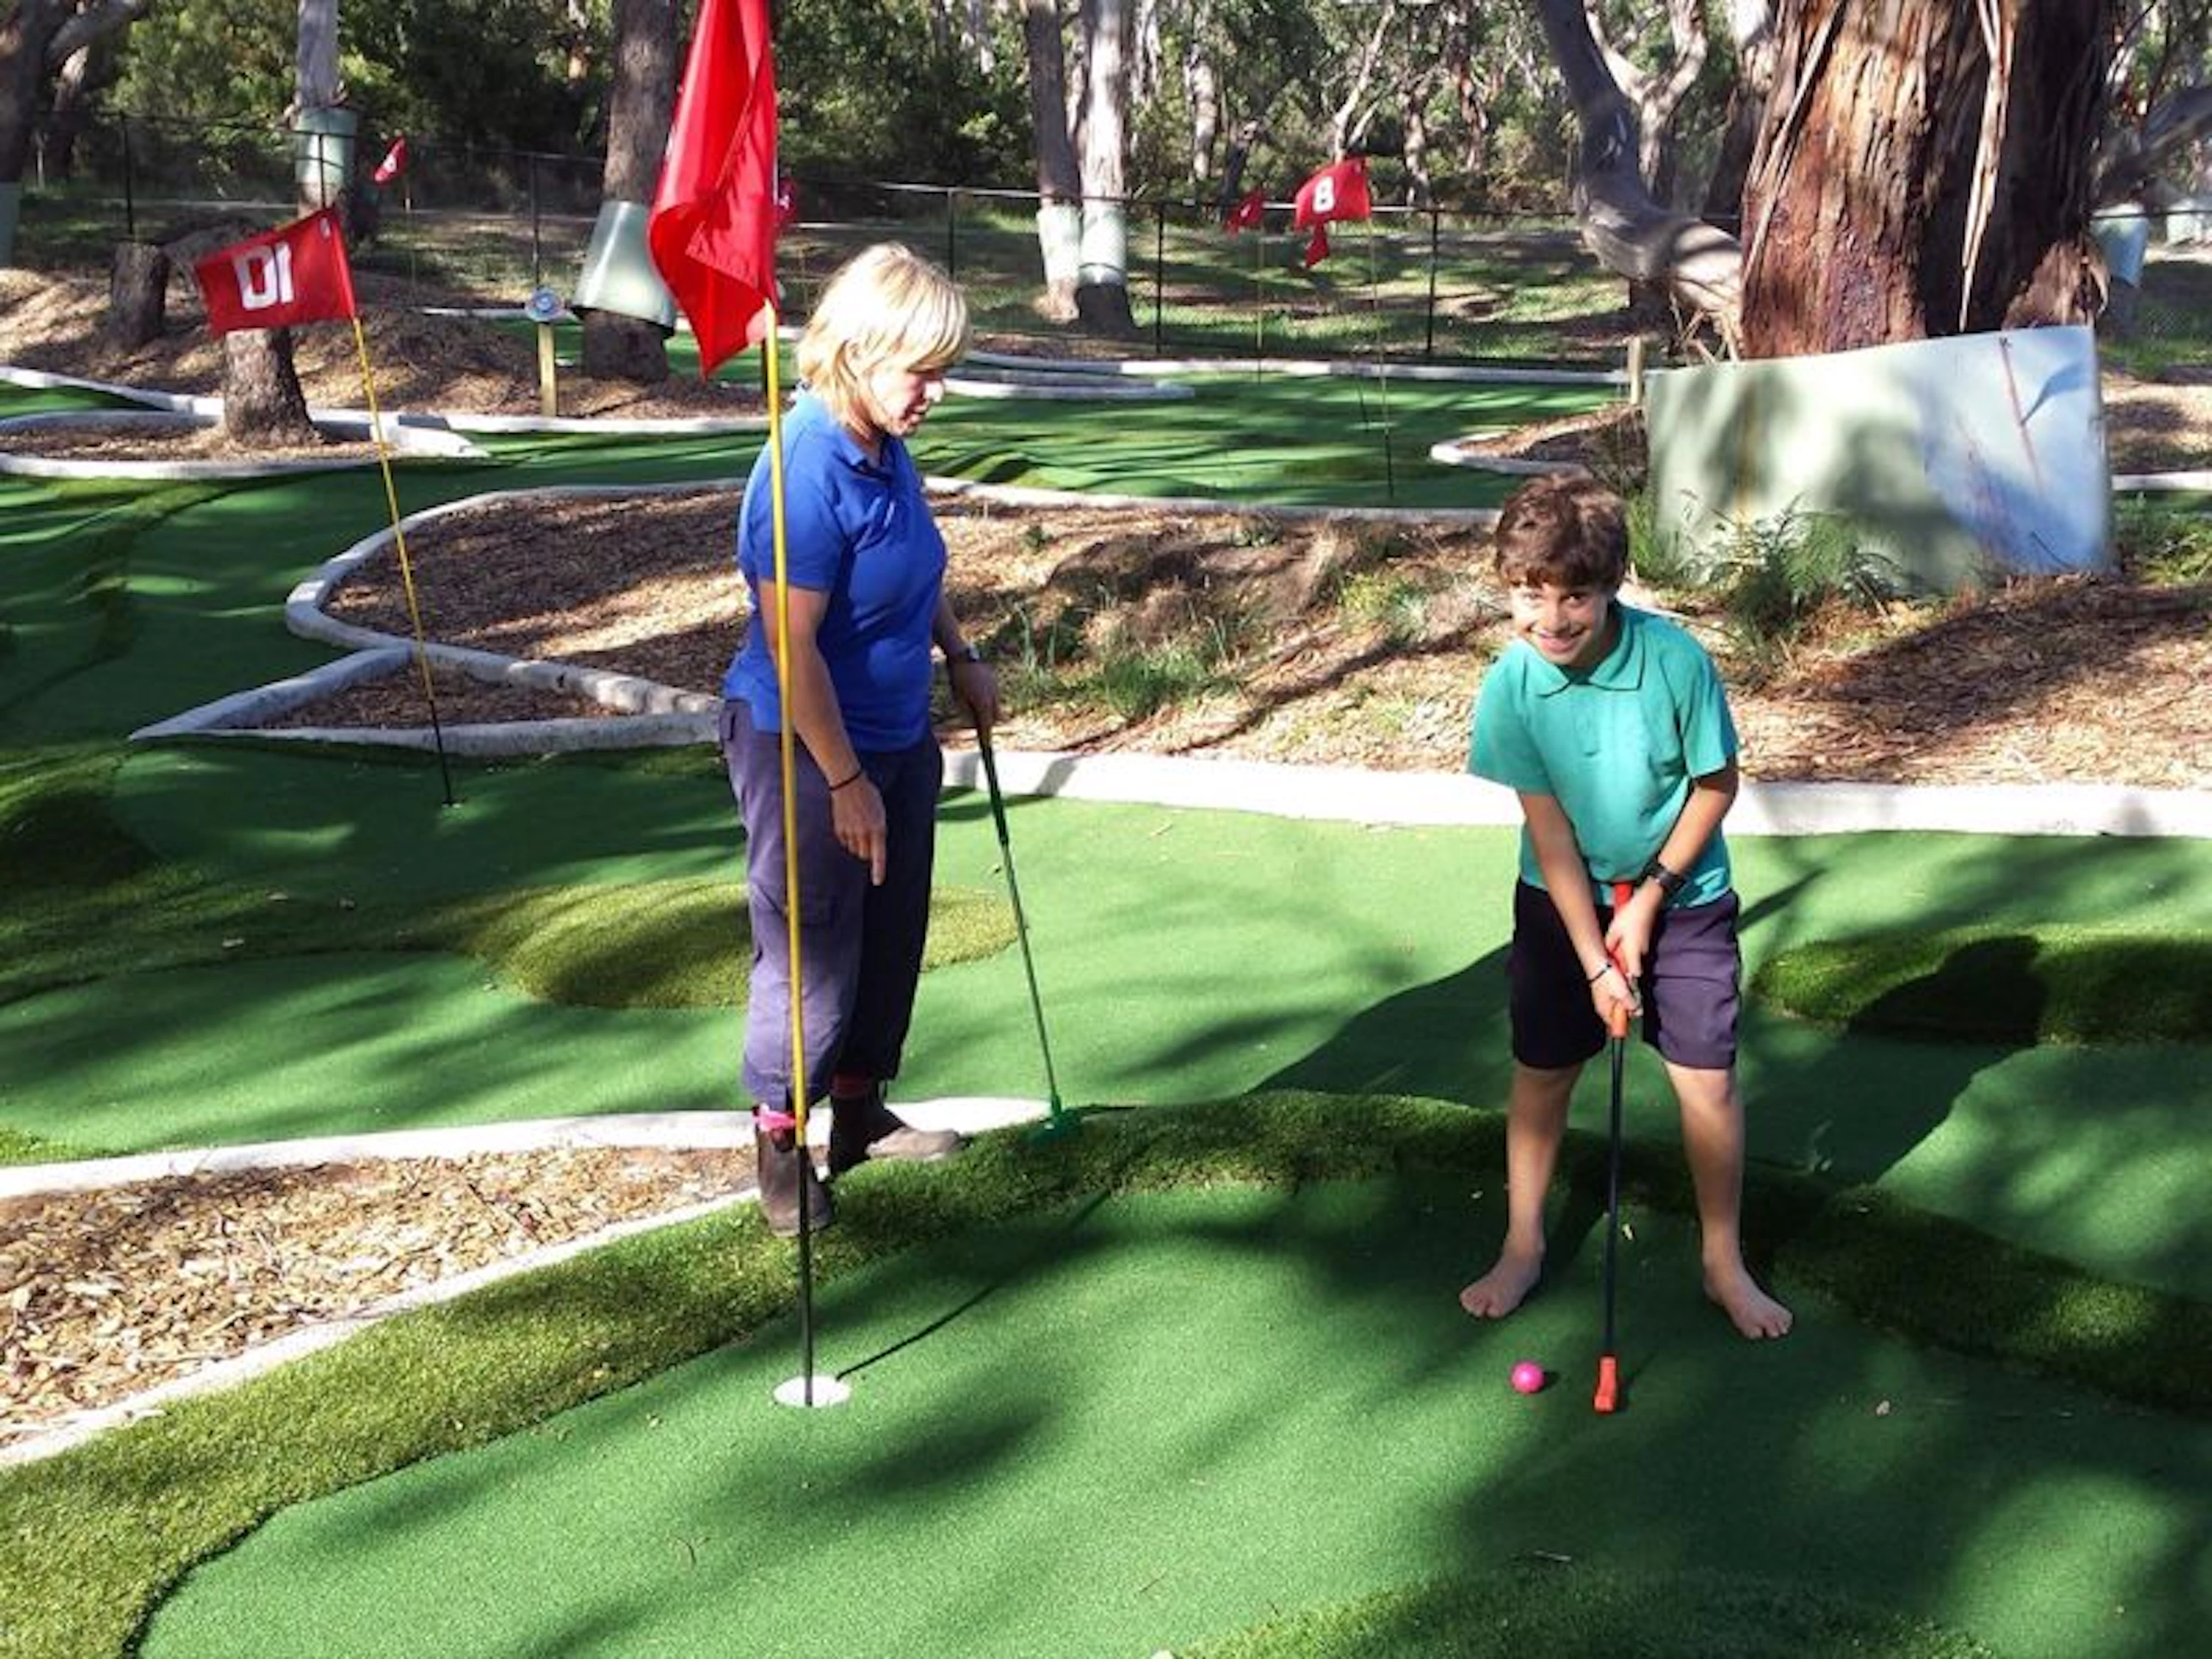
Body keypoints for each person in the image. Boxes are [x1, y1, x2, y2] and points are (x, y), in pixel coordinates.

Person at [1457, 473, 1791, 1340]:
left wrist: (1649, 901)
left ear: (1614, 588)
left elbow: (1717, 783)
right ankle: (1523, 1244)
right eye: (1531, 597)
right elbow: (1552, 834)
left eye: (1577, 597)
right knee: (1544, 1070)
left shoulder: (1674, 661)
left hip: (1685, 898)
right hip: (1559, 900)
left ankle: (1723, 1263)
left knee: (1706, 1082)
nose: (1553, 619)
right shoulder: (1512, 685)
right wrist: (1599, 960)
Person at [718, 243, 1001, 1237]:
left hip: (894, 733)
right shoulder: (803, 468)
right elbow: (792, 649)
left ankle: (860, 1109)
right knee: (812, 952)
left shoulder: (886, 446)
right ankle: (779, 1145)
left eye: (943, 372)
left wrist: (960, 653)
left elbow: (914, 566)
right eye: (921, 370)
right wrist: (843, 780)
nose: (934, 392)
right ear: (859, 350)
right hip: (800, 744)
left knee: (890, 936)